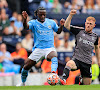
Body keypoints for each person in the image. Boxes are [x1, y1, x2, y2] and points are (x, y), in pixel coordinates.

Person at [16, 7, 65, 86]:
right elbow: (26, 27)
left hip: (49, 48)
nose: (42, 17)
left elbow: (58, 31)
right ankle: (23, 82)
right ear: (37, 14)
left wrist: (61, 26)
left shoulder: (51, 22)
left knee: (54, 56)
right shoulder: (33, 23)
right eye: (41, 15)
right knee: (26, 67)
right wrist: (24, 19)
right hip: (38, 49)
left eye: (44, 15)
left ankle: (53, 74)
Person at [60, 9, 100, 85]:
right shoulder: (79, 31)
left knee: (87, 85)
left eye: (90, 24)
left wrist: (99, 60)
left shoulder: (95, 36)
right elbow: (66, 25)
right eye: (87, 23)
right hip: (77, 60)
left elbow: (97, 48)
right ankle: (63, 80)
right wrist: (71, 15)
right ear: (85, 23)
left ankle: (81, 81)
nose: (88, 25)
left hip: (87, 63)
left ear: (94, 25)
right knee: (69, 63)